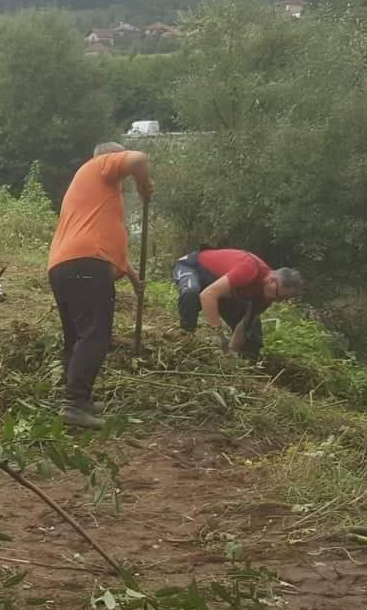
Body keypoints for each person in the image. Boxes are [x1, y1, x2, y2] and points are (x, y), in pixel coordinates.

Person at [45, 141, 153, 430]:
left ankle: (77, 398)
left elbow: (104, 241)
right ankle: (74, 404)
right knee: (94, 336)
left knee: (77, 337)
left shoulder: (90, 189)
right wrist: (144, 185)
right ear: (111, 157)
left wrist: (132, 277)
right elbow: (139, 158)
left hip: (66, 265)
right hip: (86, 265)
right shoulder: (100, 167)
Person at [173, 248, 303, 357]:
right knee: (191, 293)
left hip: (221, 288)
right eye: (278, 295)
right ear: (272, 281)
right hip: (194, 267)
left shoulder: (267, 295)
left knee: (253, 330)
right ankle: (186, 340)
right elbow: (207, 295)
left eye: (281, 299)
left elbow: (244, 324)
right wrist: (220, 336)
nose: (276, 301)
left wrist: (230, 353)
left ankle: (247, 363)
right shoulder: (249, 269)